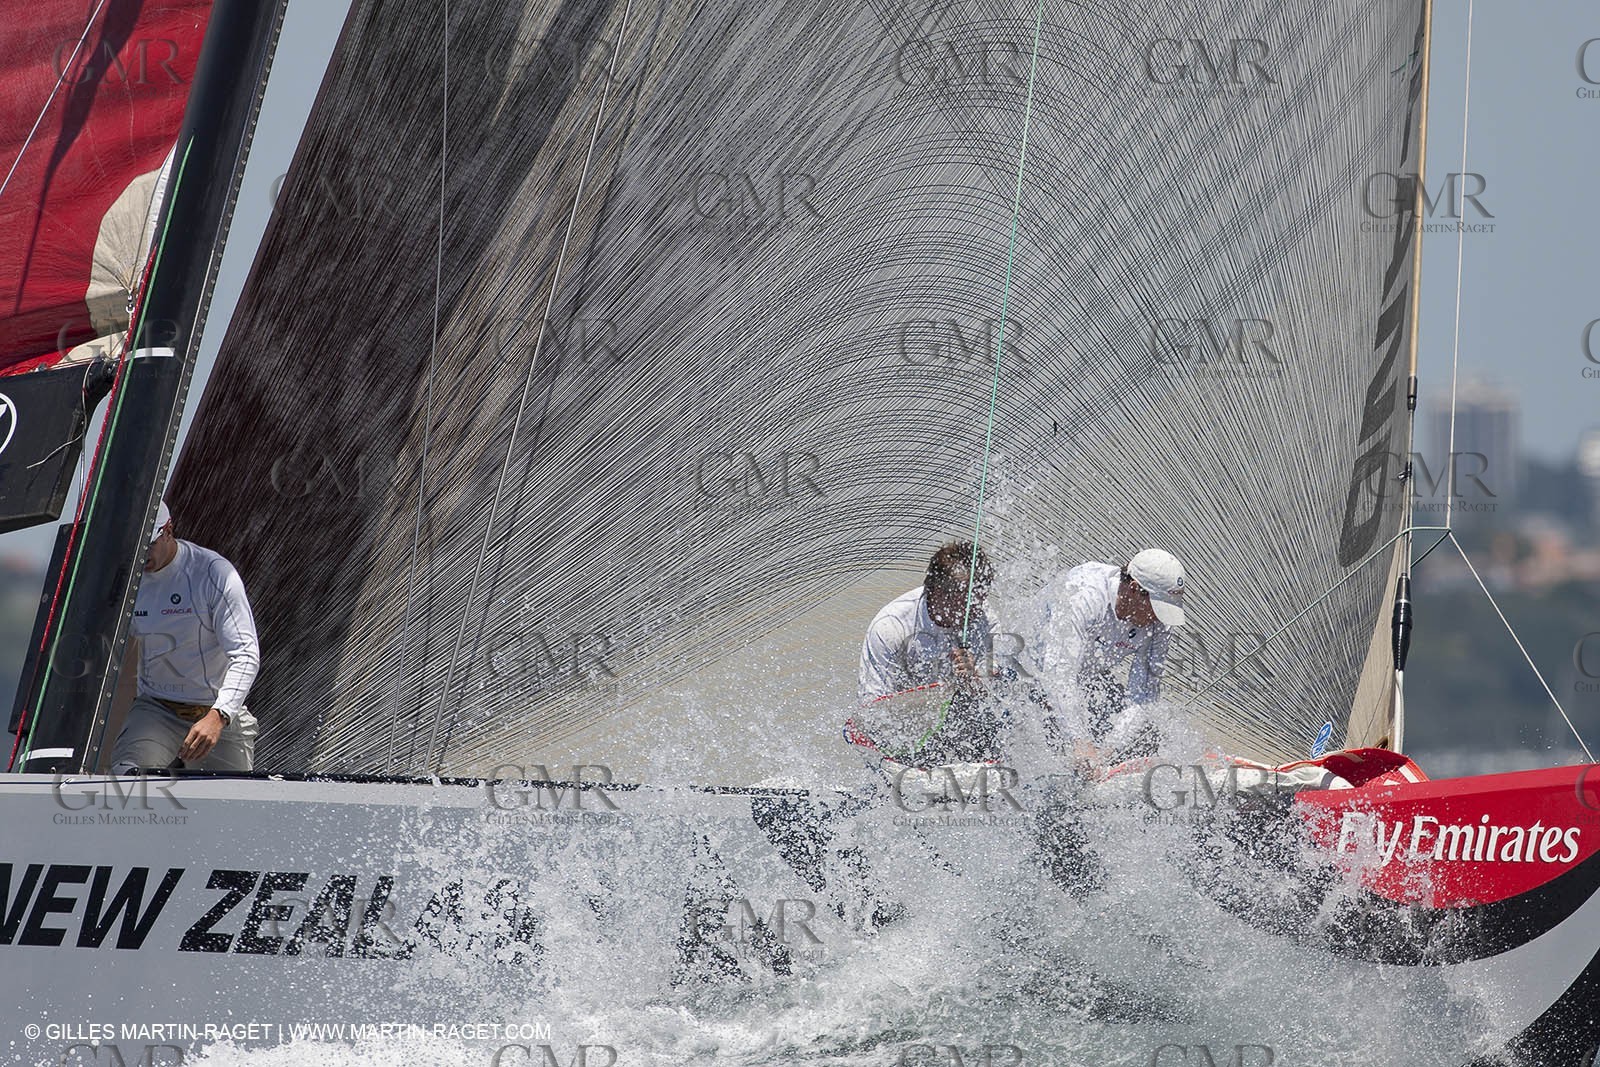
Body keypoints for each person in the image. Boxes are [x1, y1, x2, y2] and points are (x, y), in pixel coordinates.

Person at [109, 500, 260, 773]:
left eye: (148, 546)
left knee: (235, 804)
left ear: (168, 530)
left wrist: (219, 715)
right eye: (134, 549)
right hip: (157, 710)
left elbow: (246, 654)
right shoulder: (125, 577)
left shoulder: (214, 573)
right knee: (126, 779)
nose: (141, 557)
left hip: (215, 711)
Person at [851, 540, 1001, 765]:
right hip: (907, 729)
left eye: (982, 598)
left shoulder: (984, 618)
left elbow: (1001, 699)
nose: (979, 609)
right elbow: (873, 711)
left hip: (963, 723)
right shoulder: (890, 627)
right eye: (971, 602)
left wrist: (976, 680)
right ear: (939, 594)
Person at [1035, 548, 1186, 760]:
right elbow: (1058, 676)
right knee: (1062, 741)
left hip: (1083, 678)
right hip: (1028, 671)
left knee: (1147, 738)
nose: (1159, 619)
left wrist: (1109, 751)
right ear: (1135, 589)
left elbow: (1143, 695)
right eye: (1158, 609)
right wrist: (1080, 742)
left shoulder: (1159, 623)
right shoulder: (1084, 595)